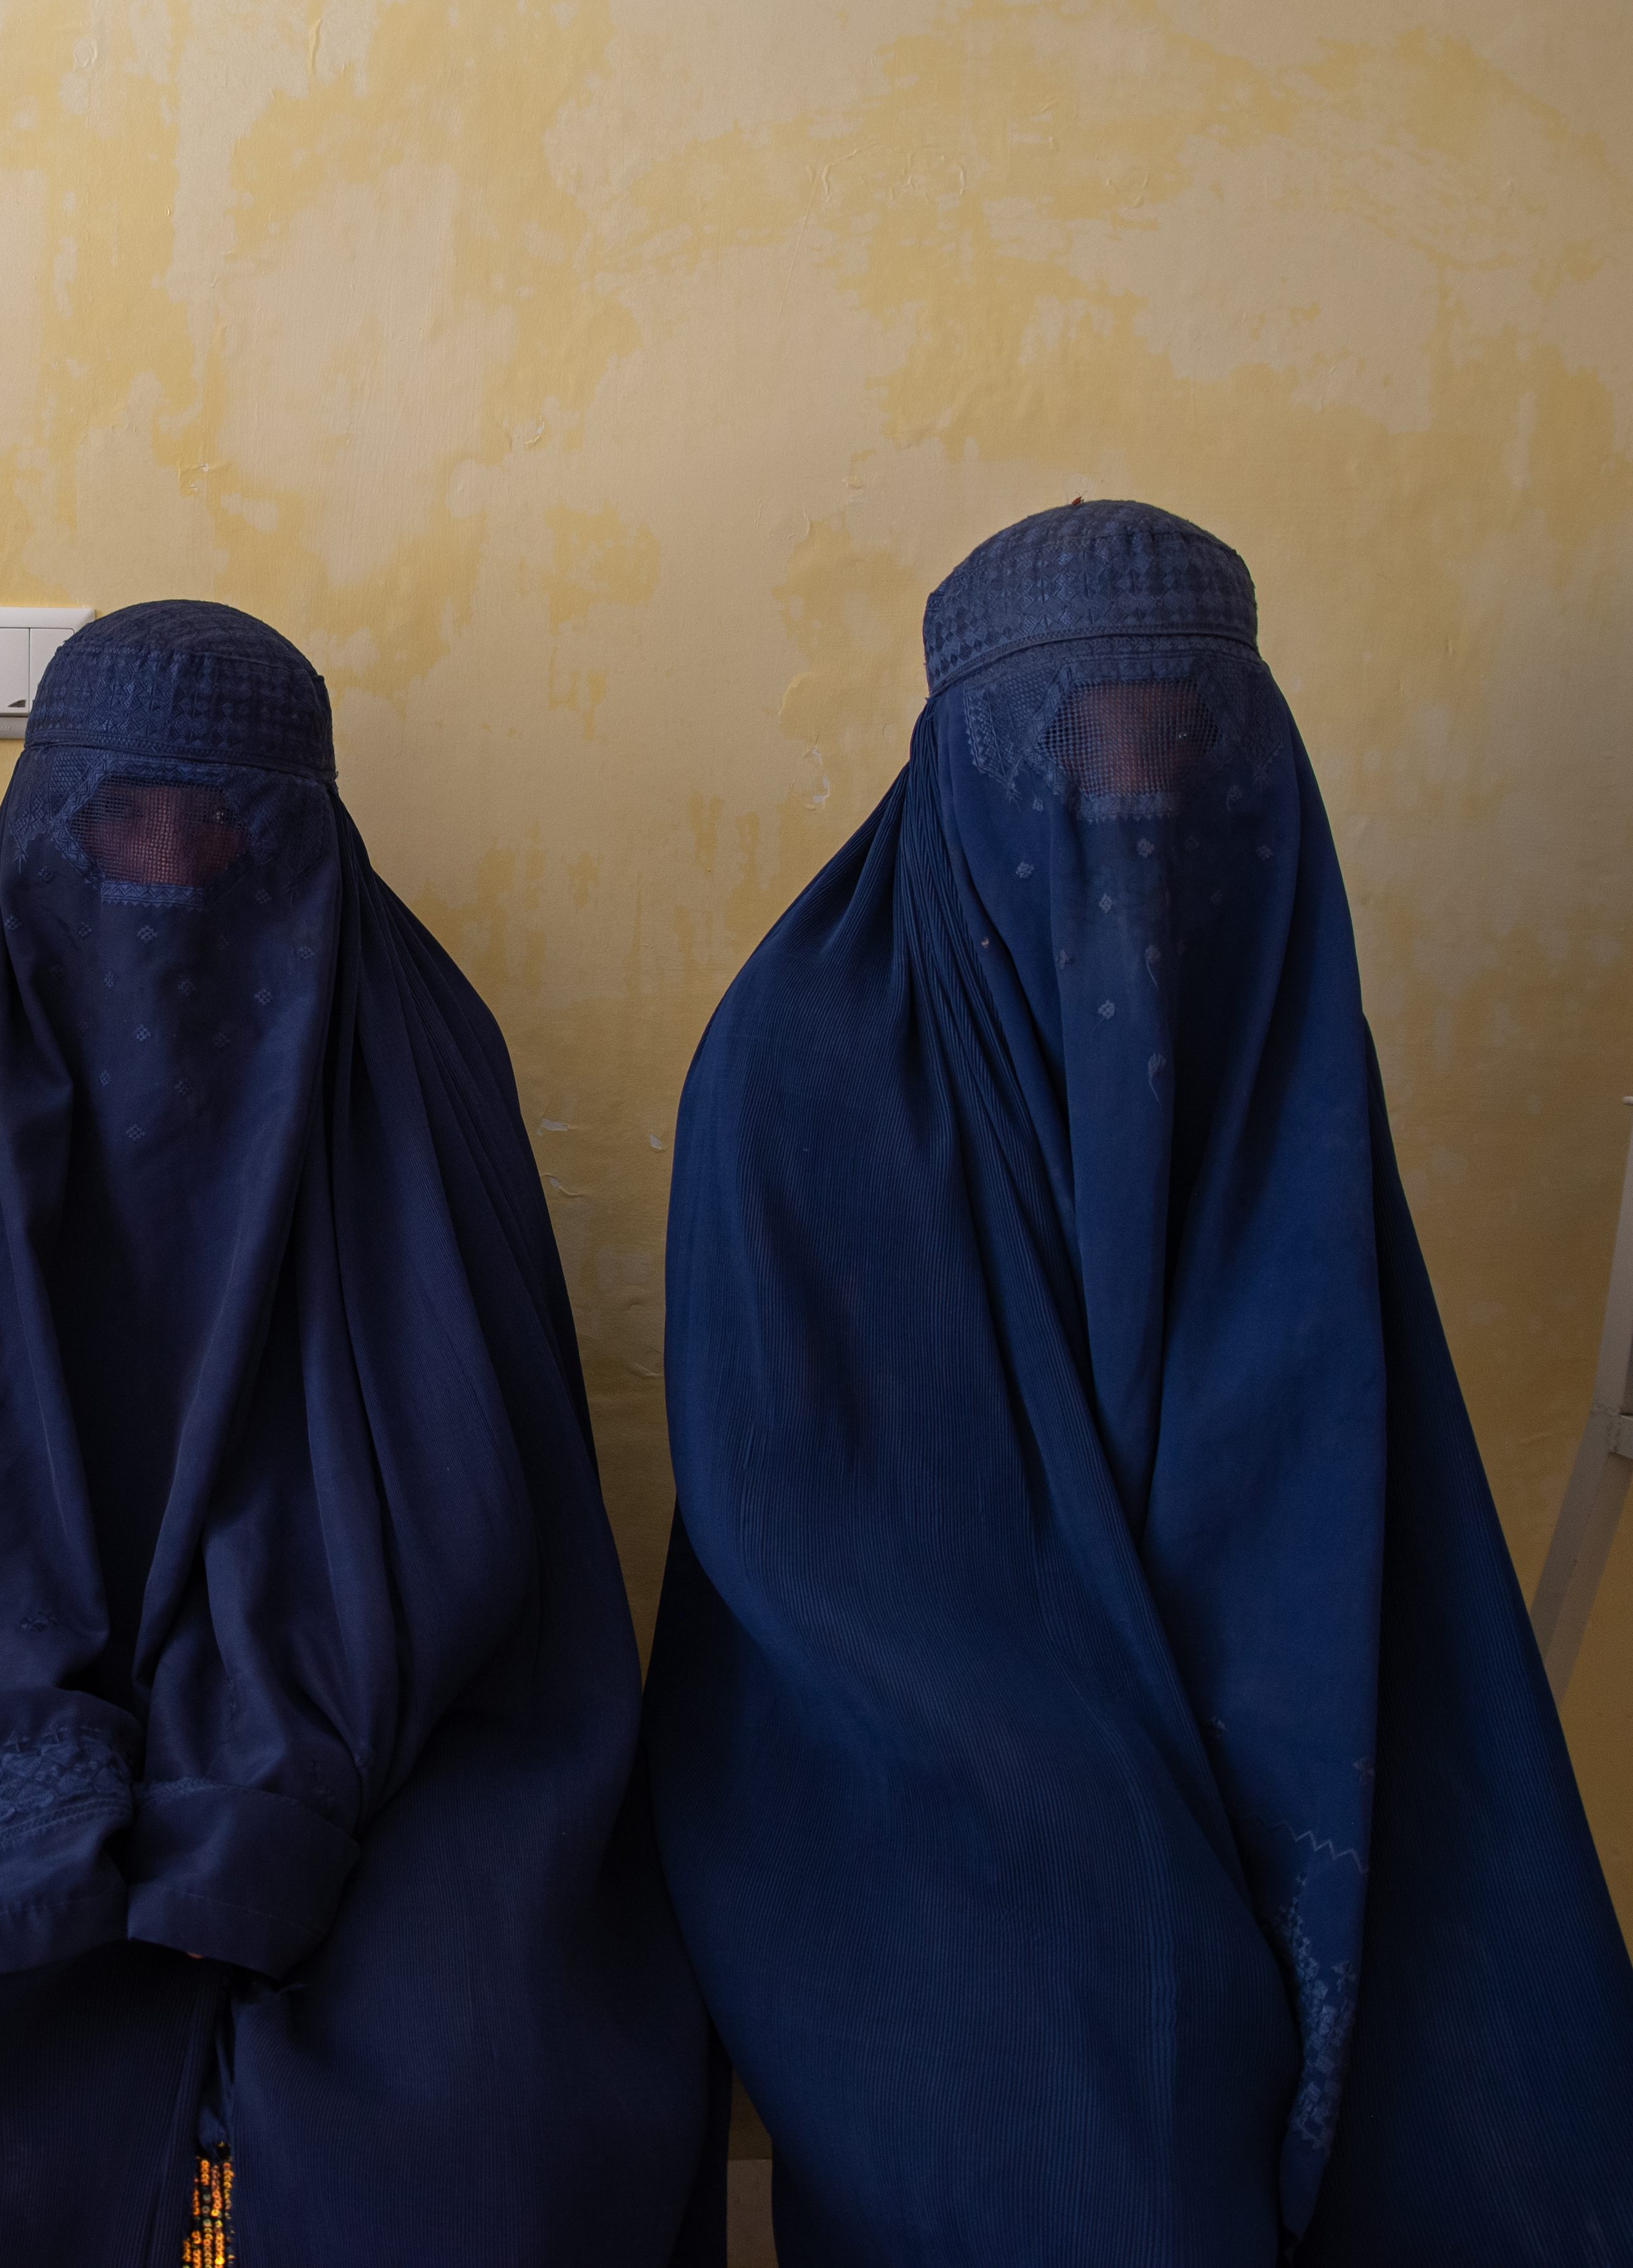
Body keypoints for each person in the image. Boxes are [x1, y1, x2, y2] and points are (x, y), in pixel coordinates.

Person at [643, 500, 1633, 2259]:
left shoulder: (1267, 1023)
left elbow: (1338, 1524)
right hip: (919, 1811)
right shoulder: (794, 1068)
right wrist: (1167, 1911)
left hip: (1310, 1748)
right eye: (1073, 779)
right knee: (1100, 2145)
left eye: (1185, 773)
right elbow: (837, 1609)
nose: (1132, 837)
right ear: (957, 777)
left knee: (1514, 2100)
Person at [0, 602, 714, 2267]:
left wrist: (270, 1758)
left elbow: (470, 1493)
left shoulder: (424, 1073)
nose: (165, 881)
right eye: (116, 833)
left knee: (496, 2153)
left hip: (409, 1734)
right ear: (37, 835)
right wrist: (77, 1775)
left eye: (220, 835)